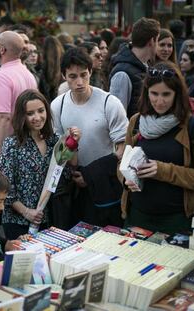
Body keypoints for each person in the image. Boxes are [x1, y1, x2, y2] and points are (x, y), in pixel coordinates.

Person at [121, 61, 194, 235]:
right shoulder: (136, 122)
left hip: (176, 220)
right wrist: (127, 179)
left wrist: (162, 170)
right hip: (137, 216)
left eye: (166, 94)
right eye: (154, 94)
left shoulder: (193, 127)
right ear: (146, 92)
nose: (159, 101)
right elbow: (121, 165)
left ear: (177, 94)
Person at [52, 48, 128, 227]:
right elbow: (56, 151)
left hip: (105, 183)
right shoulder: (58, 105)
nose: (79, 82)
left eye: (83, 75)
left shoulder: (109, 103)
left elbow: (123, 149)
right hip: (72, 184)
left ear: (91, 72)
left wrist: (92, 174)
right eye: (72, 76)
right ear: (64, 76)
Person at [0, 89, 81, 239]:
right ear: (21, 116)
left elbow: (70, 167)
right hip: (18, 221)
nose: (37, 117)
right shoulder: (11, 145)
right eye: (30, 113)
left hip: (50, 217)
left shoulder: (54, 140)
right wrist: (26, 212)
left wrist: (73, 143)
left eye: (41, 111)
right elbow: (4, 187)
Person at [0, 30, 37, 164]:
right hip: (18, 144)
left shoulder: (2, 77)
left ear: (2, 49)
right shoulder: (27, 73)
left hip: (0, 151)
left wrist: (0, 156)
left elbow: (3, 118)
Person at [109, 17, 160, 117]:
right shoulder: (122, 74)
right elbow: (116, 117)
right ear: (152, 41)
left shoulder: (146, 66)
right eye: (158, 40)